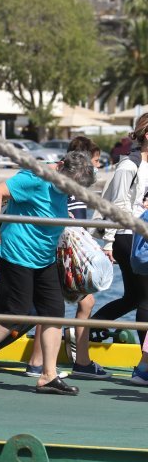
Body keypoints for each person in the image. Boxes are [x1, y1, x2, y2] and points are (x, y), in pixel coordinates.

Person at [0, 151, 95, 396]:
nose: (69, 190)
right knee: (16, 312)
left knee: (54, 312)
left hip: (44, 258)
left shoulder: (64, 186)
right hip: (17, 252)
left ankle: (48, 376)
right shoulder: (37, 176)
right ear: (60, 167)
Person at [27, 137, 109, 379]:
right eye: (95, 161)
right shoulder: (71, 189)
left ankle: (42, 360)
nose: (99, 166)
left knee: (54, 304)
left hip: (65, 250)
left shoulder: (77, 187)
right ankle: (72, 361)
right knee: (63, 303)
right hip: (63, 251)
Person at [91, 114, 148, 346]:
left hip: (142, 236)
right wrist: (108, 243)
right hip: (128, 237)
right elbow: (118, 205)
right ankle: (145, 365)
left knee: (134, 297)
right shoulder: (129, 165)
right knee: (145, 299)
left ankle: (84, 332)